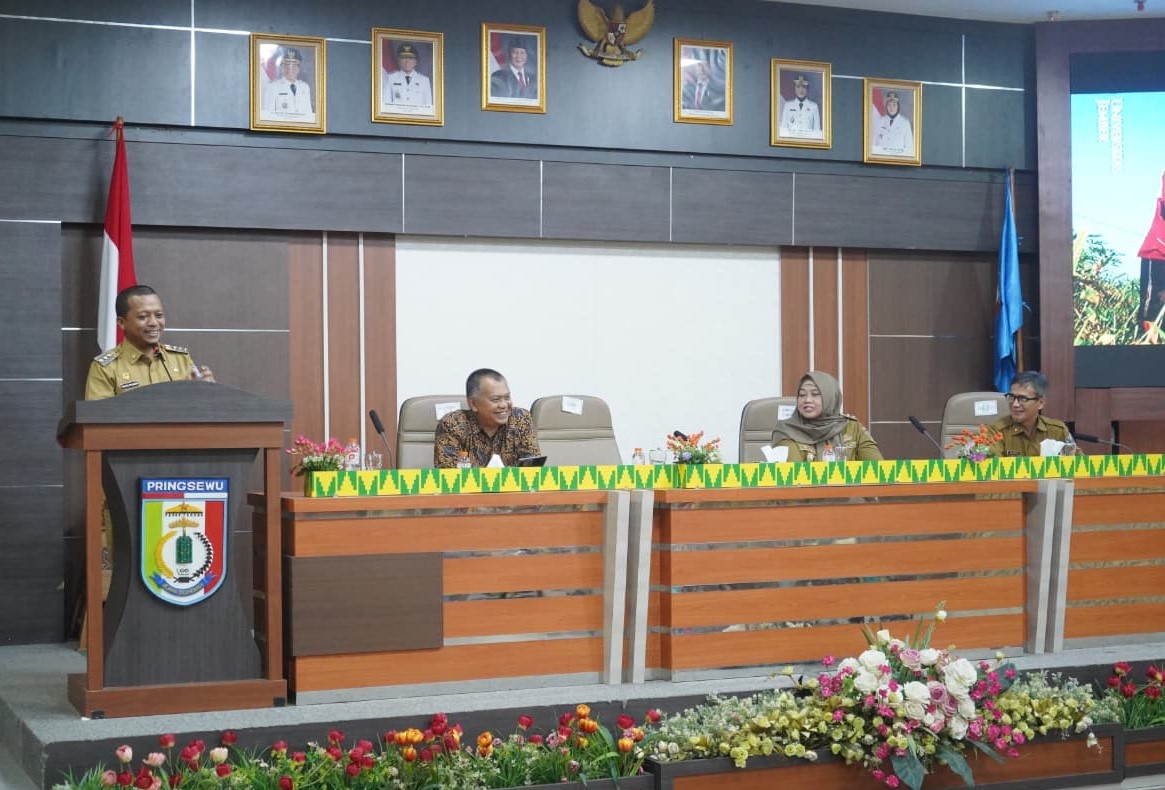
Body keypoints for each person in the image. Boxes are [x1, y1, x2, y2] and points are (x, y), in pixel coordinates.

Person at [85, 285, 215, 400]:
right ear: (122, 323)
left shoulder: (180, 359)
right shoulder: (106, 368)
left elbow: (200, 409)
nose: (153, 323)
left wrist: (206, 392)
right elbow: (98, 417)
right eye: (143, 317)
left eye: (159, 315)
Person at [434, 368, 540, 467]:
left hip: (514, 482)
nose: (504, 405)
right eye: (496, 399)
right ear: (473, 404)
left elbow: (533, 467)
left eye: (507, 397)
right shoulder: (453, 425)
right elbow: (448, 474)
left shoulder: (521, 419)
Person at [771, 371, 883, 461]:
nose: (807, 400)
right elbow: (793, 473)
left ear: (830, 398)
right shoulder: (787, 431)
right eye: (802, 395)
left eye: (815, 394)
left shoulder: (852, 428)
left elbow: (878, 469)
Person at [987, 371, 1076, 457]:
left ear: (1041, 403)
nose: (1015, 404)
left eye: (1023, 399)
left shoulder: (1058, 431)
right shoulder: (996, 432)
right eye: (1012, 397)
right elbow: (993, 465)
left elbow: (1077, 463)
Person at [260, 47, 315, 121]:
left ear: (299, 68)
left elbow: (308, 115)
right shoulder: (272, 88)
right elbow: (267, 116)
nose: (290, 69)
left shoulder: (305, 87)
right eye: (286, 65)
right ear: (282, 68)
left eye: (294, 66)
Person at [382, 43, 433, 110]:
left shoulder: (424, 80)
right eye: (403, 58)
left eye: (410, 58)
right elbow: (386, 105)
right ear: (398, 61)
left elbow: (428, 107)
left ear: (415, 62)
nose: (407, 61)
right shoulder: (390, 78)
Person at [871, 91, 913, 156]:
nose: (891, 108)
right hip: (880, 158)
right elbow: (873, 145)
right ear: (886, 106)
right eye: (889, 105)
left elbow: (909, 149)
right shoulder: (879, 122)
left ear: (898, 106)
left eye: (894, 105)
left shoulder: (905, 123)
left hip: (898, 160)